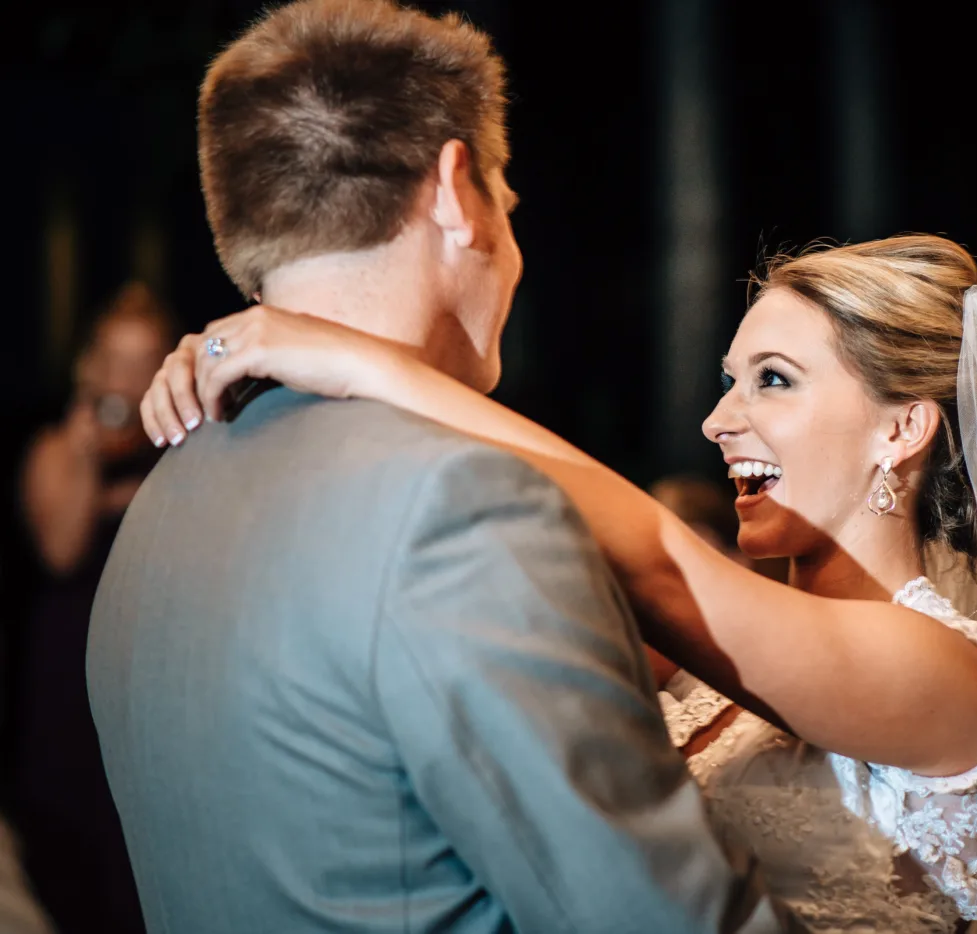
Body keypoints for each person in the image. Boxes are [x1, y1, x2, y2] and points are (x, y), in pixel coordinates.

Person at [145, 234, 977, 932]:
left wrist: (352, 359)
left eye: (771, 379)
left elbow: (646, 553)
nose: (716, 420)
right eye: (728, 380)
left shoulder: (948, 674)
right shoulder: (722, 644)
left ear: (901, 428)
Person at [86, 3, 798, 933]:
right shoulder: (458, 507)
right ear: (458, 194)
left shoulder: (161, 502)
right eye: (509, 200)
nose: (512, 243)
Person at [11, 282, 172, 933]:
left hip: (148, 673)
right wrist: (83, 458)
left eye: (143, 362)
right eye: (115, 359)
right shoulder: (55, 448)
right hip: (66, 675)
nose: (127, 379)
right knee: (70, 859)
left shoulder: (183, 453)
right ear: (91, 365)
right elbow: (61, 551)